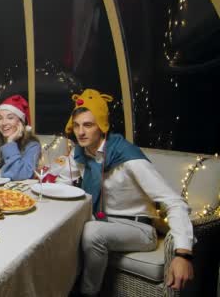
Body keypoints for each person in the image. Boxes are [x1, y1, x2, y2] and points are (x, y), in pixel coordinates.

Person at [65, 89, 194, 296]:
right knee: (61, 228)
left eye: (88, 125)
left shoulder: (127, 156)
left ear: (102, 126)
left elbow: (174, 201)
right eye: (77, 125)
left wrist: (183, 254)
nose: (81, 132)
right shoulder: (81, 153)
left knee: (92, 232)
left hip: (139, 228)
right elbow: (62, 178)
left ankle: (87, 294)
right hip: (103, 220)